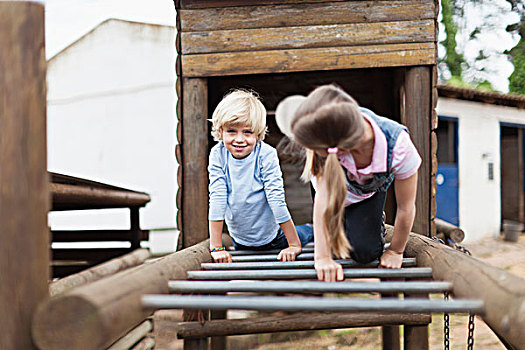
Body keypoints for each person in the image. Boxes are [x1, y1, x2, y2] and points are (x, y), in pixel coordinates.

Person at [284, 84, 421, 281]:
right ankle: (317, 230)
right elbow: (323, 201)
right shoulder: (327, 146)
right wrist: (322, 257)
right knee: (330, 246)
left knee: (366, 254)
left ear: (338, 147)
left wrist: (396, 251)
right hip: (330, 192)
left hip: (365, 195)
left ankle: (365, 224)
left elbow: (406, 207)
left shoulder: (398, 146)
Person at [207, 89, 313, 263]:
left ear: (258, 133)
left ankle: (311, 229)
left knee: (305, 234)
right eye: (232, 131)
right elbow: (218, 198)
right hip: (240, 240)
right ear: (220, 131)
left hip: (274, 238)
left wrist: (294, 245)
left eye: (247, 132)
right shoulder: (218, 155)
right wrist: (216, 247)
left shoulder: (265, 154)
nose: (239, 139)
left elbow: (276, 199)